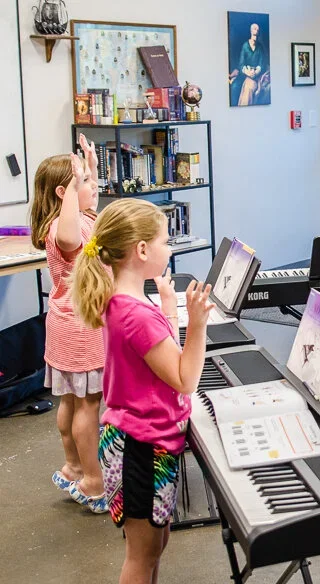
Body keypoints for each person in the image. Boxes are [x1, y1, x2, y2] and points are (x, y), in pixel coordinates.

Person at [71, 198, 214, 584]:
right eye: (166, 241)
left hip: (141, 441)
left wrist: (168, 305)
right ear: (143, 250)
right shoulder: (134, 314)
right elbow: (185, 379)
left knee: (156, 543)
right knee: (142, 553)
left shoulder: (125, 301)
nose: (170, 248)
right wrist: (197, 324)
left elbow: (158, 351)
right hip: (141, 447)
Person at [29, 135, 107, 513]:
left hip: (64, 327)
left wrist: (88, 169)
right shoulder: (65, 228)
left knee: (71, 401)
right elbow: (72, 234)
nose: (94, 187)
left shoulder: (75, 218)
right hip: (81, 330)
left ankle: (74, 465)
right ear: (64, 193)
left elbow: (89, 218)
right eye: (87, 183)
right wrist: (75, 188)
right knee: (88, 405)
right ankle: (93, 480)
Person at [232, 22, 268, 106]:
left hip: (256, 75)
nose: (257, 31)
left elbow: (261, 64)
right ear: (251, 31)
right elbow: (241, 64)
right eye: (255, 29)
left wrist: (256, 72)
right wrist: (247, 72)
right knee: (234, 87)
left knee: (250, 87)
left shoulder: (260, 47)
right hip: (245, 74)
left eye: (258, 30)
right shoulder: (245, 46)